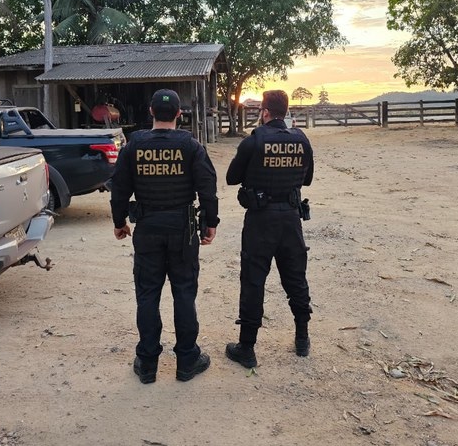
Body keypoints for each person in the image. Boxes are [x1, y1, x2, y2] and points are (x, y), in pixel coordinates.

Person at [109, 89, 219, 383]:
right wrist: (211, 223)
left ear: (151, 112)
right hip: (183, 230)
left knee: (147, 294)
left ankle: (147, 364)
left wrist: (119, 221)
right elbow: (207, 187)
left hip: (147, 228)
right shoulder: (191, 146)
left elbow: (118, 187)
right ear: (179, 115)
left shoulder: (134, 146)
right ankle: (186, 360)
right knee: (184, 292)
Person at [225, 89, 314, 368]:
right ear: (285, 112)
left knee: (253, 281)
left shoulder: (255, 141)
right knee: (295, 279)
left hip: (260, 221)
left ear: (264, 112)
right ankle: (302, 338)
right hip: (290, 219)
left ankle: (247, 348)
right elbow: (308, 179)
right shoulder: (301, 140)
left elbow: (231, 178)